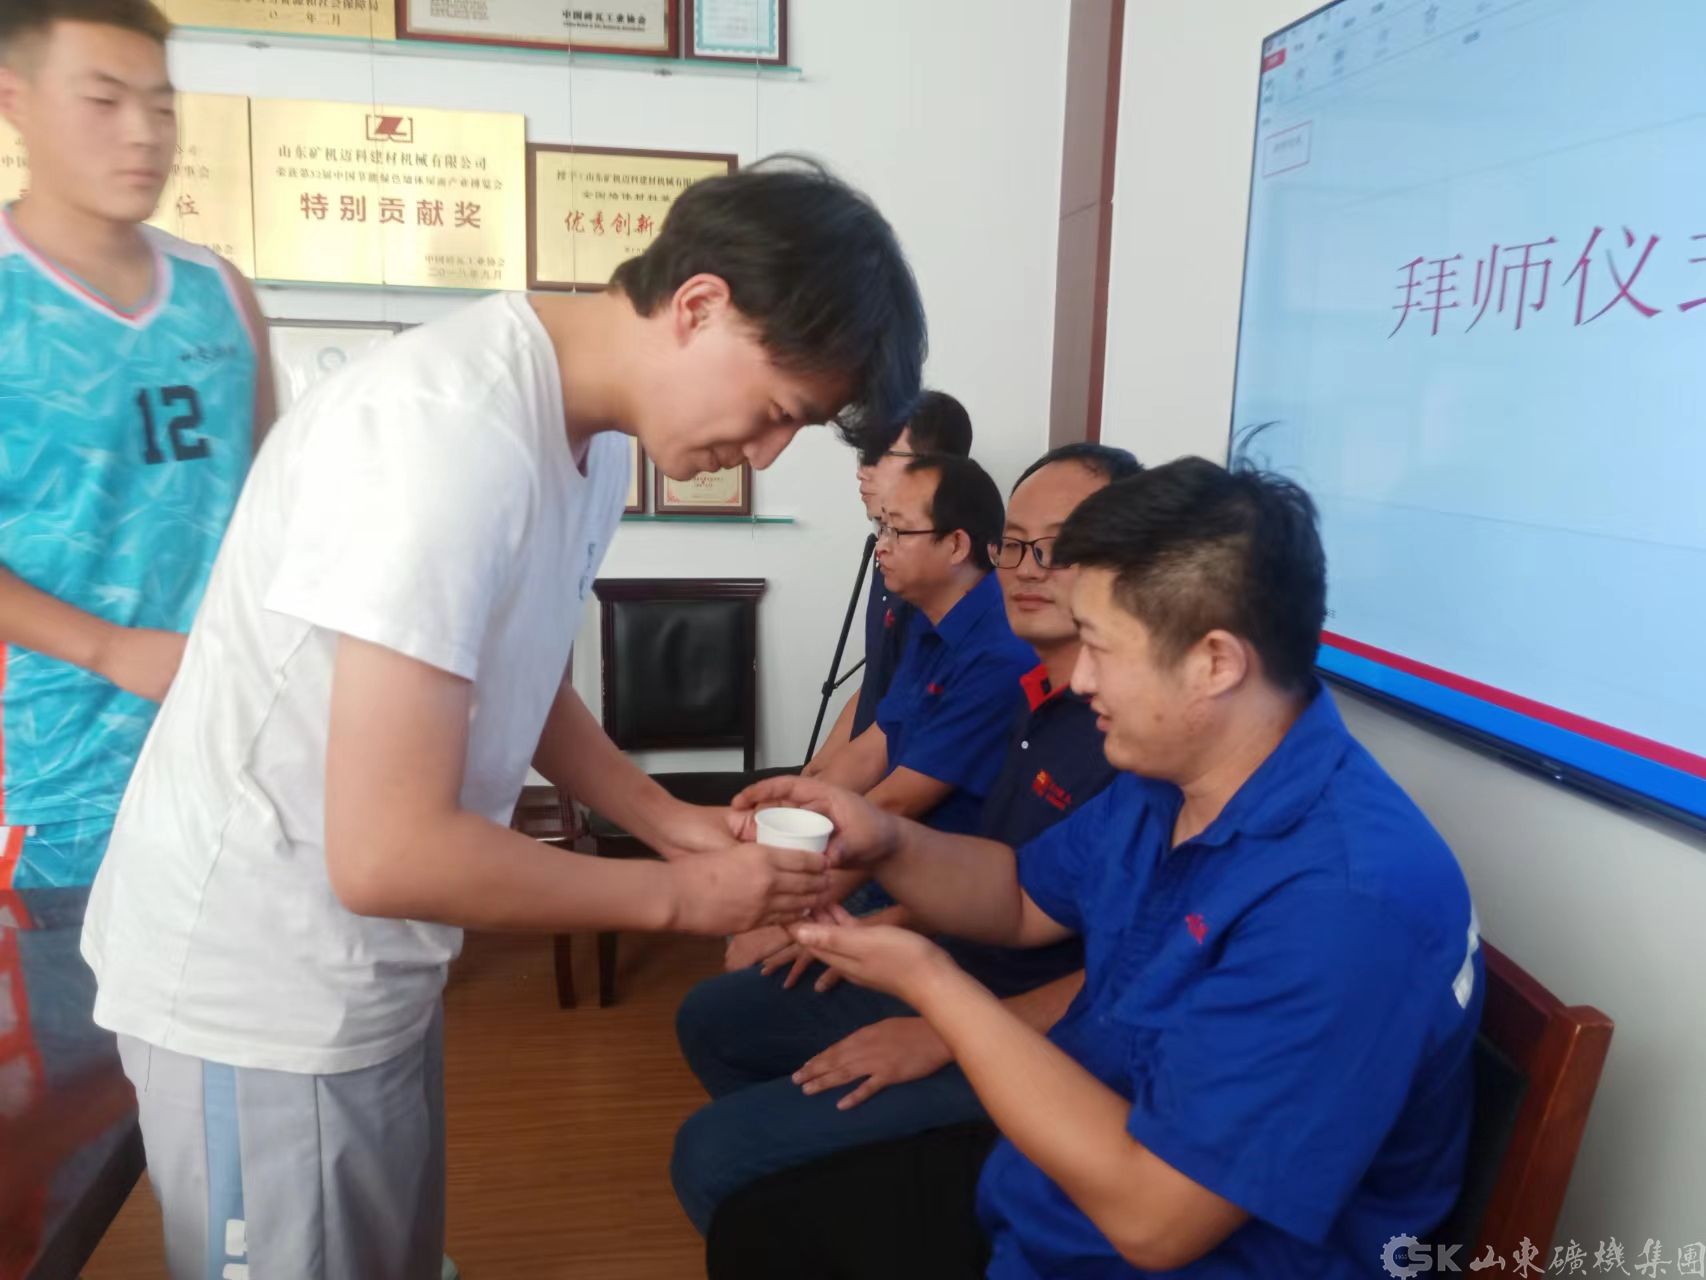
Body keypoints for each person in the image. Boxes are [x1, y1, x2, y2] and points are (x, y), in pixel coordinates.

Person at [78, 156, 925, 1280]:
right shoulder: (446, 435)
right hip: (261, 974)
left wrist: (668, 819)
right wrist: (680, 894)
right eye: (777, 412)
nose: (766, 453)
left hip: (366, 963)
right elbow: (387, 853)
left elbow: (518, 676)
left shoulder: (589, 437)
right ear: (699, 304)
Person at [720, 457, 1483, 1280]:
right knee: (758, 1227)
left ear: (1215, 663)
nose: (1079, 679)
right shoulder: (1172, 781)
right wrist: (886, 840)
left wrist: (932, 986)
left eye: (1100, 647)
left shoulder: (1344, 904)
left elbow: (1156, 1219)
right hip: (1058, 1175)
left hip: (1161, 1239)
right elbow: (1019, 897)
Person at [671, 444, 1141, 1234]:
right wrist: (880, 868)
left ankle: (826, 1183)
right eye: (1014, 546)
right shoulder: (1037, 684)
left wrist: (940, 1019)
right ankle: (820, 1180)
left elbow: (1126, 981)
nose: (1024, 571)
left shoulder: (1139, 743)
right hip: (965, 958)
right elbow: (1016, 885)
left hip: (1029, 1025)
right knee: (717, 1022)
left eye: (1057, 550)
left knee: (717, 1156)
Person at [0, 0, 274, 891]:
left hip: (226, 756)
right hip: (46, 774)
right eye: (104, 101)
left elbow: (271, 506)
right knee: (63, 987)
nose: (143, 134)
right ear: (15, 98)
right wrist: (111, 649)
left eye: (161, 105)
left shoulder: (217, 292)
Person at [805, 389, 972, 775]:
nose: (862, 471)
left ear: (934, 467)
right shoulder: (888, 550)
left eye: (880, 456)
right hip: (858, 775)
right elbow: (877, 682)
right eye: (864, 455)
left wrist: (826, 791)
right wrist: (816, 769)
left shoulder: (944, 575)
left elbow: (908, 731)